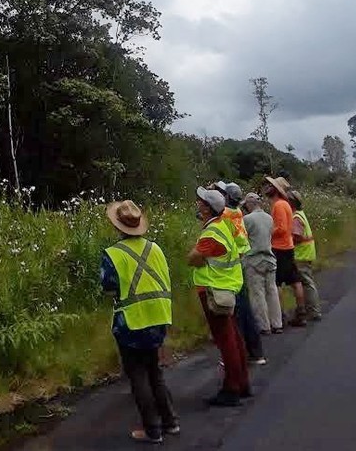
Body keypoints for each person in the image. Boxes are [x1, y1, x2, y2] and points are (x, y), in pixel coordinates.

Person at [101, 199, 179, 445]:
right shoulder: (155, 249)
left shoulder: (113, 254)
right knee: (154, 370)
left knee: (137, 374)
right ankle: (170, 421)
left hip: (131, 320)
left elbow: (108, 287)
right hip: (159, 315)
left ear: (118, 226)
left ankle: (152, 429)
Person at [188, 187, 250, 407]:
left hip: (214, 289)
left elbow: (193, 259)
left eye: (201, 201)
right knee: (233, 335)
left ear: (206, 208)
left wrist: (194, 253)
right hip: (226, 286)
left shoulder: (211, 233)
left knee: (225, 340)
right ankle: (242, 382)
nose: (198, 203)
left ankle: (232, 388)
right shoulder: (222, 226)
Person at [218, 183, 266, 364]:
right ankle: (256, 352)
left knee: (235, 313)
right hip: (241, 262)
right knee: (246, 310)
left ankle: (236, 354)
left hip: (229, 267)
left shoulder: (225, 215)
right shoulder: (238, 213)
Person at [264, 176, 307, 326]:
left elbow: (281, 228)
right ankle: (301, 313)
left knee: (276, 283)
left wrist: (267, 232)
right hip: (287, 247)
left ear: (275, 190)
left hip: (279, 247)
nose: (266, 187)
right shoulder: (285, 204)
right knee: (294, 280)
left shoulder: (279, 205)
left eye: (269, 186)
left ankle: (280, 315)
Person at [240, 192, 283, 334]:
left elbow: (243, 238)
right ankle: (277, 323)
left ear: (249, 204)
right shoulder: (269, 218)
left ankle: (263, 325)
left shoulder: (247, 219)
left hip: (254, 259)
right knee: (272, 291)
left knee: (257, 293)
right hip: (270, 258)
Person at [289, 189, 322, 321]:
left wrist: (288, 240)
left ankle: (313, 311)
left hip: (301, 254)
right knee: (307, 283)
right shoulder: (300, 214)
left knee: (306, 283)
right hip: (306, 253)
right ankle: (312, 310)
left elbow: (297, 235)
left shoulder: (296, 217)